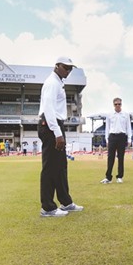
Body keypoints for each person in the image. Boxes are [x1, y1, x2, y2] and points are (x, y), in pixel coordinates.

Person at [37, 57, 84, 217]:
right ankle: (47, 208)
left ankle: (66, 202)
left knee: (61, 166)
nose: (68, 71)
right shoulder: (52, 82)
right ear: (57, 66)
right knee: (50, 167)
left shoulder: (58, 82)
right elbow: (48, 109)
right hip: (50, 125)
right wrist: (57, 133)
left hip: (55, 124)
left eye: (71, 68)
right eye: (66, 67)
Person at [100, 98, 132, 184]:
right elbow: (107, 127)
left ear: (121, 104)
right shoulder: (109, 114)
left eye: (119, 104)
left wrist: (129, 139)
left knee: (121, 157)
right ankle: (108, 177)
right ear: (113, 105)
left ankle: (120, 176)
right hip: (112, 136)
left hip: (122, 136)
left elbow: (128, 127)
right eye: (116, 104)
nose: (118, 105)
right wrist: (107, 139)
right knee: (110, 157)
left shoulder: (125, 114)